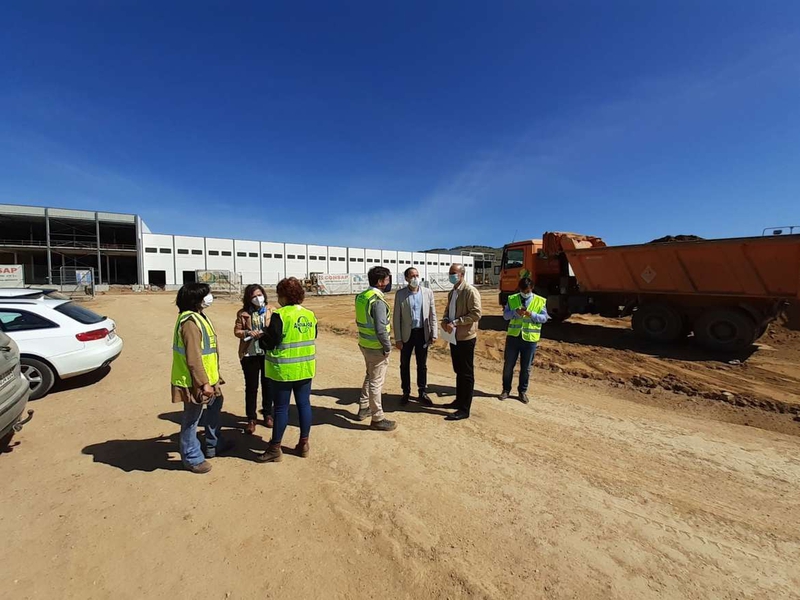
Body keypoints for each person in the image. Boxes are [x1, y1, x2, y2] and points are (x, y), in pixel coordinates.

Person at [171, 283, 232, 474]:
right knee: (192, 418)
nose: (210, 297)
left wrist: (213, 378)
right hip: (194, 381)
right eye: (206, 294)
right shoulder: (190, 323)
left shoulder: (199, 317)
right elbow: (194, 357)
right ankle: (192, 457)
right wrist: (203, 382)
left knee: (216, 404)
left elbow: (208, 352)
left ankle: (213, 444)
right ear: (195, 299)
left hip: (209, 378)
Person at [256, 277, 318, 463]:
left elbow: (270, 342)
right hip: (305, 368)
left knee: (281, 409)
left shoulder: (280, 315)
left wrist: (261, 336)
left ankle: (275, 447)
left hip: (283, 370)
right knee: (304, 404)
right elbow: (313, 335)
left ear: (283, 295)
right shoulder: (309, 315)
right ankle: (304, 444)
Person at [354, 266, 397, 431]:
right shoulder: (377, 301)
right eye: (387, 279)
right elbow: (380, 329)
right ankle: (377, 418)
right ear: (380, 282)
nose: (388, 282)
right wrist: (387, 347)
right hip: (376, 347)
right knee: (376, 382)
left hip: (365, 344)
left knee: (369, 375)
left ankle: (364, 407)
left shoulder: (362, 296)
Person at [441, 263, 482, 421]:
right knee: (458, 370)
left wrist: (457, 322)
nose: (451, 275)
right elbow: (448, 311)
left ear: (462, 274)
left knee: (466, 373)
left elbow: (476, 314)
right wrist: (445, 320)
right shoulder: (452, 293)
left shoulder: (470, 291)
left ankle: (465, 409)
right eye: (450, 273)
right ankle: (459, 400)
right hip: (454, 337)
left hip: (465, 337)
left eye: (453, 273)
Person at [500, 278, 549, 404]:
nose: (525, 293)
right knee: (508, 366)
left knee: (526, 368)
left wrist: (531, 314)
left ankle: (522, 392)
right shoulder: (512, 299)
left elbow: (544, 318)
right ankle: (506, 390)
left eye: (527, 291)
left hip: (530, 340)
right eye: (523, 290)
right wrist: (515, 313)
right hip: (513, 337)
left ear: (531, 288)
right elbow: (505, 316)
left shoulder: (539, 300)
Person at [393, 267, 437, 406]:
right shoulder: (400, 294)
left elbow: (432, 315)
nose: (415, 278)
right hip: (407, 334)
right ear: (406, 278)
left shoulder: (428, 293)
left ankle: (422, 391)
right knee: (404, 364)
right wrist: (398, 339)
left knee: (422, 364)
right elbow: (396, 318)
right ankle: (406, 392)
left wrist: (433, 333)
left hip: (422, 333)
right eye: (412, 276)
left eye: (417, 275)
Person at [234, 284, 273, 434]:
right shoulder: (243, 313)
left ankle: (268, 414)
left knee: (268, 384)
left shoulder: (271, 310)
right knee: (251, 387)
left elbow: (275, 328)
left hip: (267, 353)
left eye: (260, 294)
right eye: (254, 296)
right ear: (249, 299)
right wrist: (248, 332)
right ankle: (251, 418)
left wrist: (266, 333)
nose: (258, 298)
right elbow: (237, 331)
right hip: (249, 354)